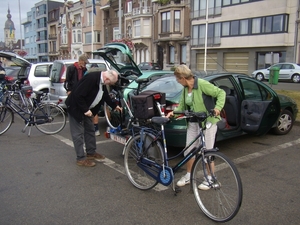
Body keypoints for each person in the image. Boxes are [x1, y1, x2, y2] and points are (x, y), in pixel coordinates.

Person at [166, 65, 225, 190]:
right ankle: (189, 175)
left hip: (207, 122)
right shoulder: (185, 89)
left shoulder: (202, 84)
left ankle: (211, 178)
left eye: (178, 79)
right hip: (193, 122)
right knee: (189, 150)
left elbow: (221, 93)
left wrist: (217, 108)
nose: (177, 81)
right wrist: (174, 113)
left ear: (183, 78)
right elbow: (182, 105)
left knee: (207, 151)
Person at [65, 69, 122, 167]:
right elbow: (78, 95)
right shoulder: (91, 78)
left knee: (90, 130)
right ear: (107, 79)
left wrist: (114, 106)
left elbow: (105, 95)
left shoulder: (102, 82)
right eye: (111, 83)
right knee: (78, 134)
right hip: (76, 108)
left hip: (87, 109)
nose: (110, 85)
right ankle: (81, 159)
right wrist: (85, 110)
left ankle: (91, 153)